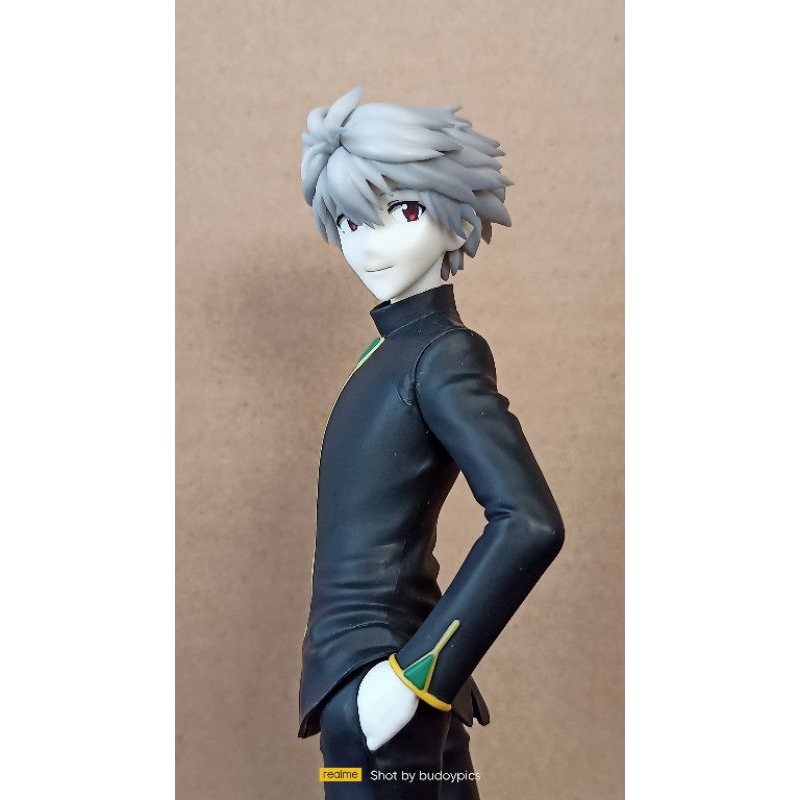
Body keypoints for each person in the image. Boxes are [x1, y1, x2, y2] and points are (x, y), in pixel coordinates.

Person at [298, 85, 565, 799]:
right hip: (380, 685)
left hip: (380, 687)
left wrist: (418, 675)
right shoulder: (386, 354)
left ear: (455, 221)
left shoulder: (442, 354)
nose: (370, 243)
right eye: (351, 221)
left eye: (405, 212)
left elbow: (529, 522)